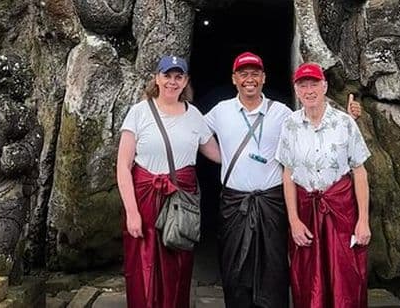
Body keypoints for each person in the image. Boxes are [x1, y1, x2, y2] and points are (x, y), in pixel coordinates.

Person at [204, 52, 362, 308]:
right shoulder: (220, 111)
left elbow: (314, 121)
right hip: (235, 202)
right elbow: (194, 132)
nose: (249, 79)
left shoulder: (282, 113)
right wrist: (224, 158)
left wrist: (351, 115)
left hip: (272, 200)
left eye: (255, 73)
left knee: (274, 269)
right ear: (234, 79)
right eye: (243, 74)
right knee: (235, 269)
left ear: (264, 78)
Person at [116, 55, 221, 308]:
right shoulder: (138, 113)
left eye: (178, 77)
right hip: (144, 198)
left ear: (185, 81)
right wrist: (131, 212)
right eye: (167, 76)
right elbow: (123, 165)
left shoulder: (194, 115)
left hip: (180, 200)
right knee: (143, 267)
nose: (172, 82)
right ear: (157, 78)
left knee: (178, 265)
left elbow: (218, 155)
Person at [276, 62, 371, 308]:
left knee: (345, 277)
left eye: (314, 84)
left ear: (325, 86)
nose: (309, 90)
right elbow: (288, 174)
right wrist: (294, 221)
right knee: (308, 279)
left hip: (341, 210)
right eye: (303, 85)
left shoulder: (345, 123)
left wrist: (363, 221)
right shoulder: (290, 124)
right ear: (296, 90)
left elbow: (359, 172)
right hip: (306, 210)